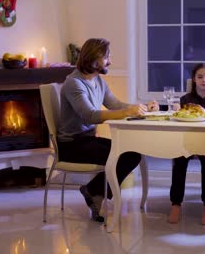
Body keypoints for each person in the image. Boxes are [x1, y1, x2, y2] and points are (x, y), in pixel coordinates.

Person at [57, 38, 159, 222]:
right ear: (93, 59)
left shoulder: (98, 81)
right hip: (72, 145)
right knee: (126, 155)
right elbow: (90, 115)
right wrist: (126, 112)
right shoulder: (74, 83)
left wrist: (142, 107)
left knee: (132, 153)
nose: (110, 61)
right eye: (106, 57)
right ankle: (95, 192)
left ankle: (93, 191)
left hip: (88, 140)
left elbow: (116, 104)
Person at [168, 63, 205, 226]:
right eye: (200, 77)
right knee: (179, 161)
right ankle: (175, 204)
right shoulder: (185, 99)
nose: (204, 80)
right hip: (187, 141)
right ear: (194, 79)